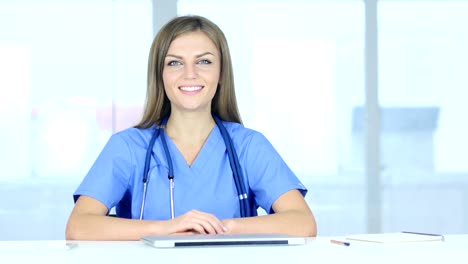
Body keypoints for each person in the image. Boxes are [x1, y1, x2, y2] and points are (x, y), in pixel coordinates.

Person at [66, 15, 317, 240]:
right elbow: (79, 226)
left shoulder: (248, 146)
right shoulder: (128, 147)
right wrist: (166, 228)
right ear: (160, 74)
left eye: (204, 62)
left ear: (221, 73)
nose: (190, 74)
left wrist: (220, 227)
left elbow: (303, 223)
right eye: (175, 63)